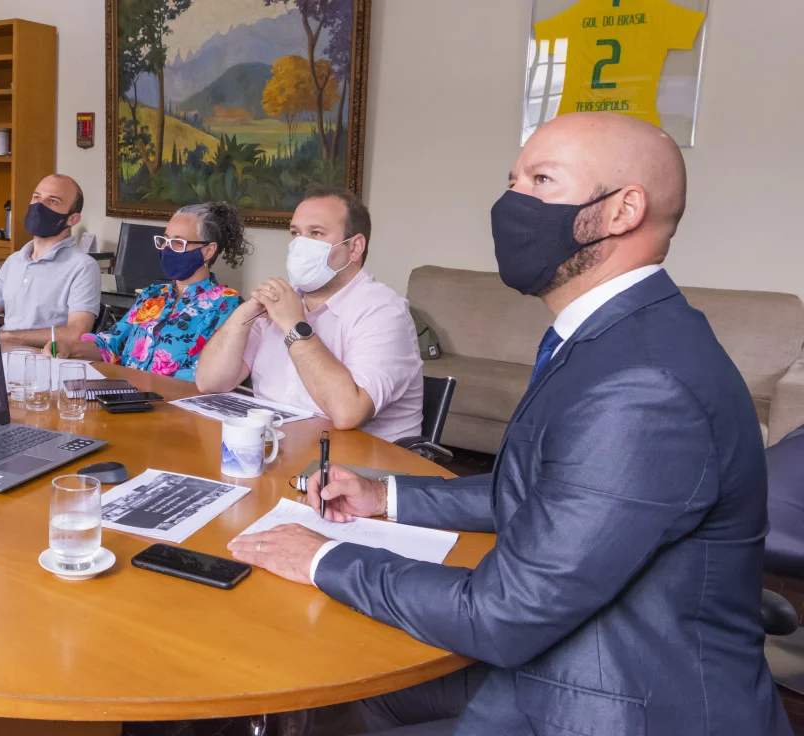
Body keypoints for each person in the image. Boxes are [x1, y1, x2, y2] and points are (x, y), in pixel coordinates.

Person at [227, 112, 792, 735]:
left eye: (541, 181)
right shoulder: (614, 334)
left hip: (614, 700)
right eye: (512, 181)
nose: (510, 203)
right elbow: (543, 492)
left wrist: (321, 558)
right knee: (339, 690)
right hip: (563, 654)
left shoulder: (644, 383)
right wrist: (383, 496)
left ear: (623, 210)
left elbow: (503, 613)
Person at [194, 190, 423, 441]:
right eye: (295, 233)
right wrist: (242, 316)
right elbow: (210, 382)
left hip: (357, 459)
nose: (300, 244)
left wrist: (294, 325)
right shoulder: (282, 299)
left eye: (316, 233)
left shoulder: (383, 312)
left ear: (355, 247)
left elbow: (348, 413)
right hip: (277, 447)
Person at [50, 202, 245, 380]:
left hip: (174, 402)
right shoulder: (153, 294)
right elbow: (111, 343)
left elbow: (204, 375)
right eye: (165, 240)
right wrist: (70, 348)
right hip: (125, 395)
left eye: (178, 243)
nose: (167, 249)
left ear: (208, 251)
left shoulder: (227, 304)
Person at [0, 174, 101, 347]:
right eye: (36, 197)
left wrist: (7, 337)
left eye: (52, 201)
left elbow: (76, 333)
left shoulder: (83, 266)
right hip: (1, 353)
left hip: (43, 358)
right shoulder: (15, 260)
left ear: (72, 219)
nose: (39, 206)